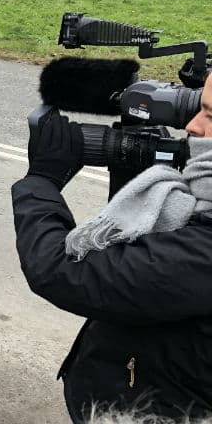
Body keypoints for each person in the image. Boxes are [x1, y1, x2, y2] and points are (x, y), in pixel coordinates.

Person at [13, 94, 212, 422]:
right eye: (197, 109)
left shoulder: (199, 255)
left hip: (147, 408)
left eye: (210, 116)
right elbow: (137, 262)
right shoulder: (197, 207)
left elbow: (58, 271)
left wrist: (41, 182)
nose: (191, 126)